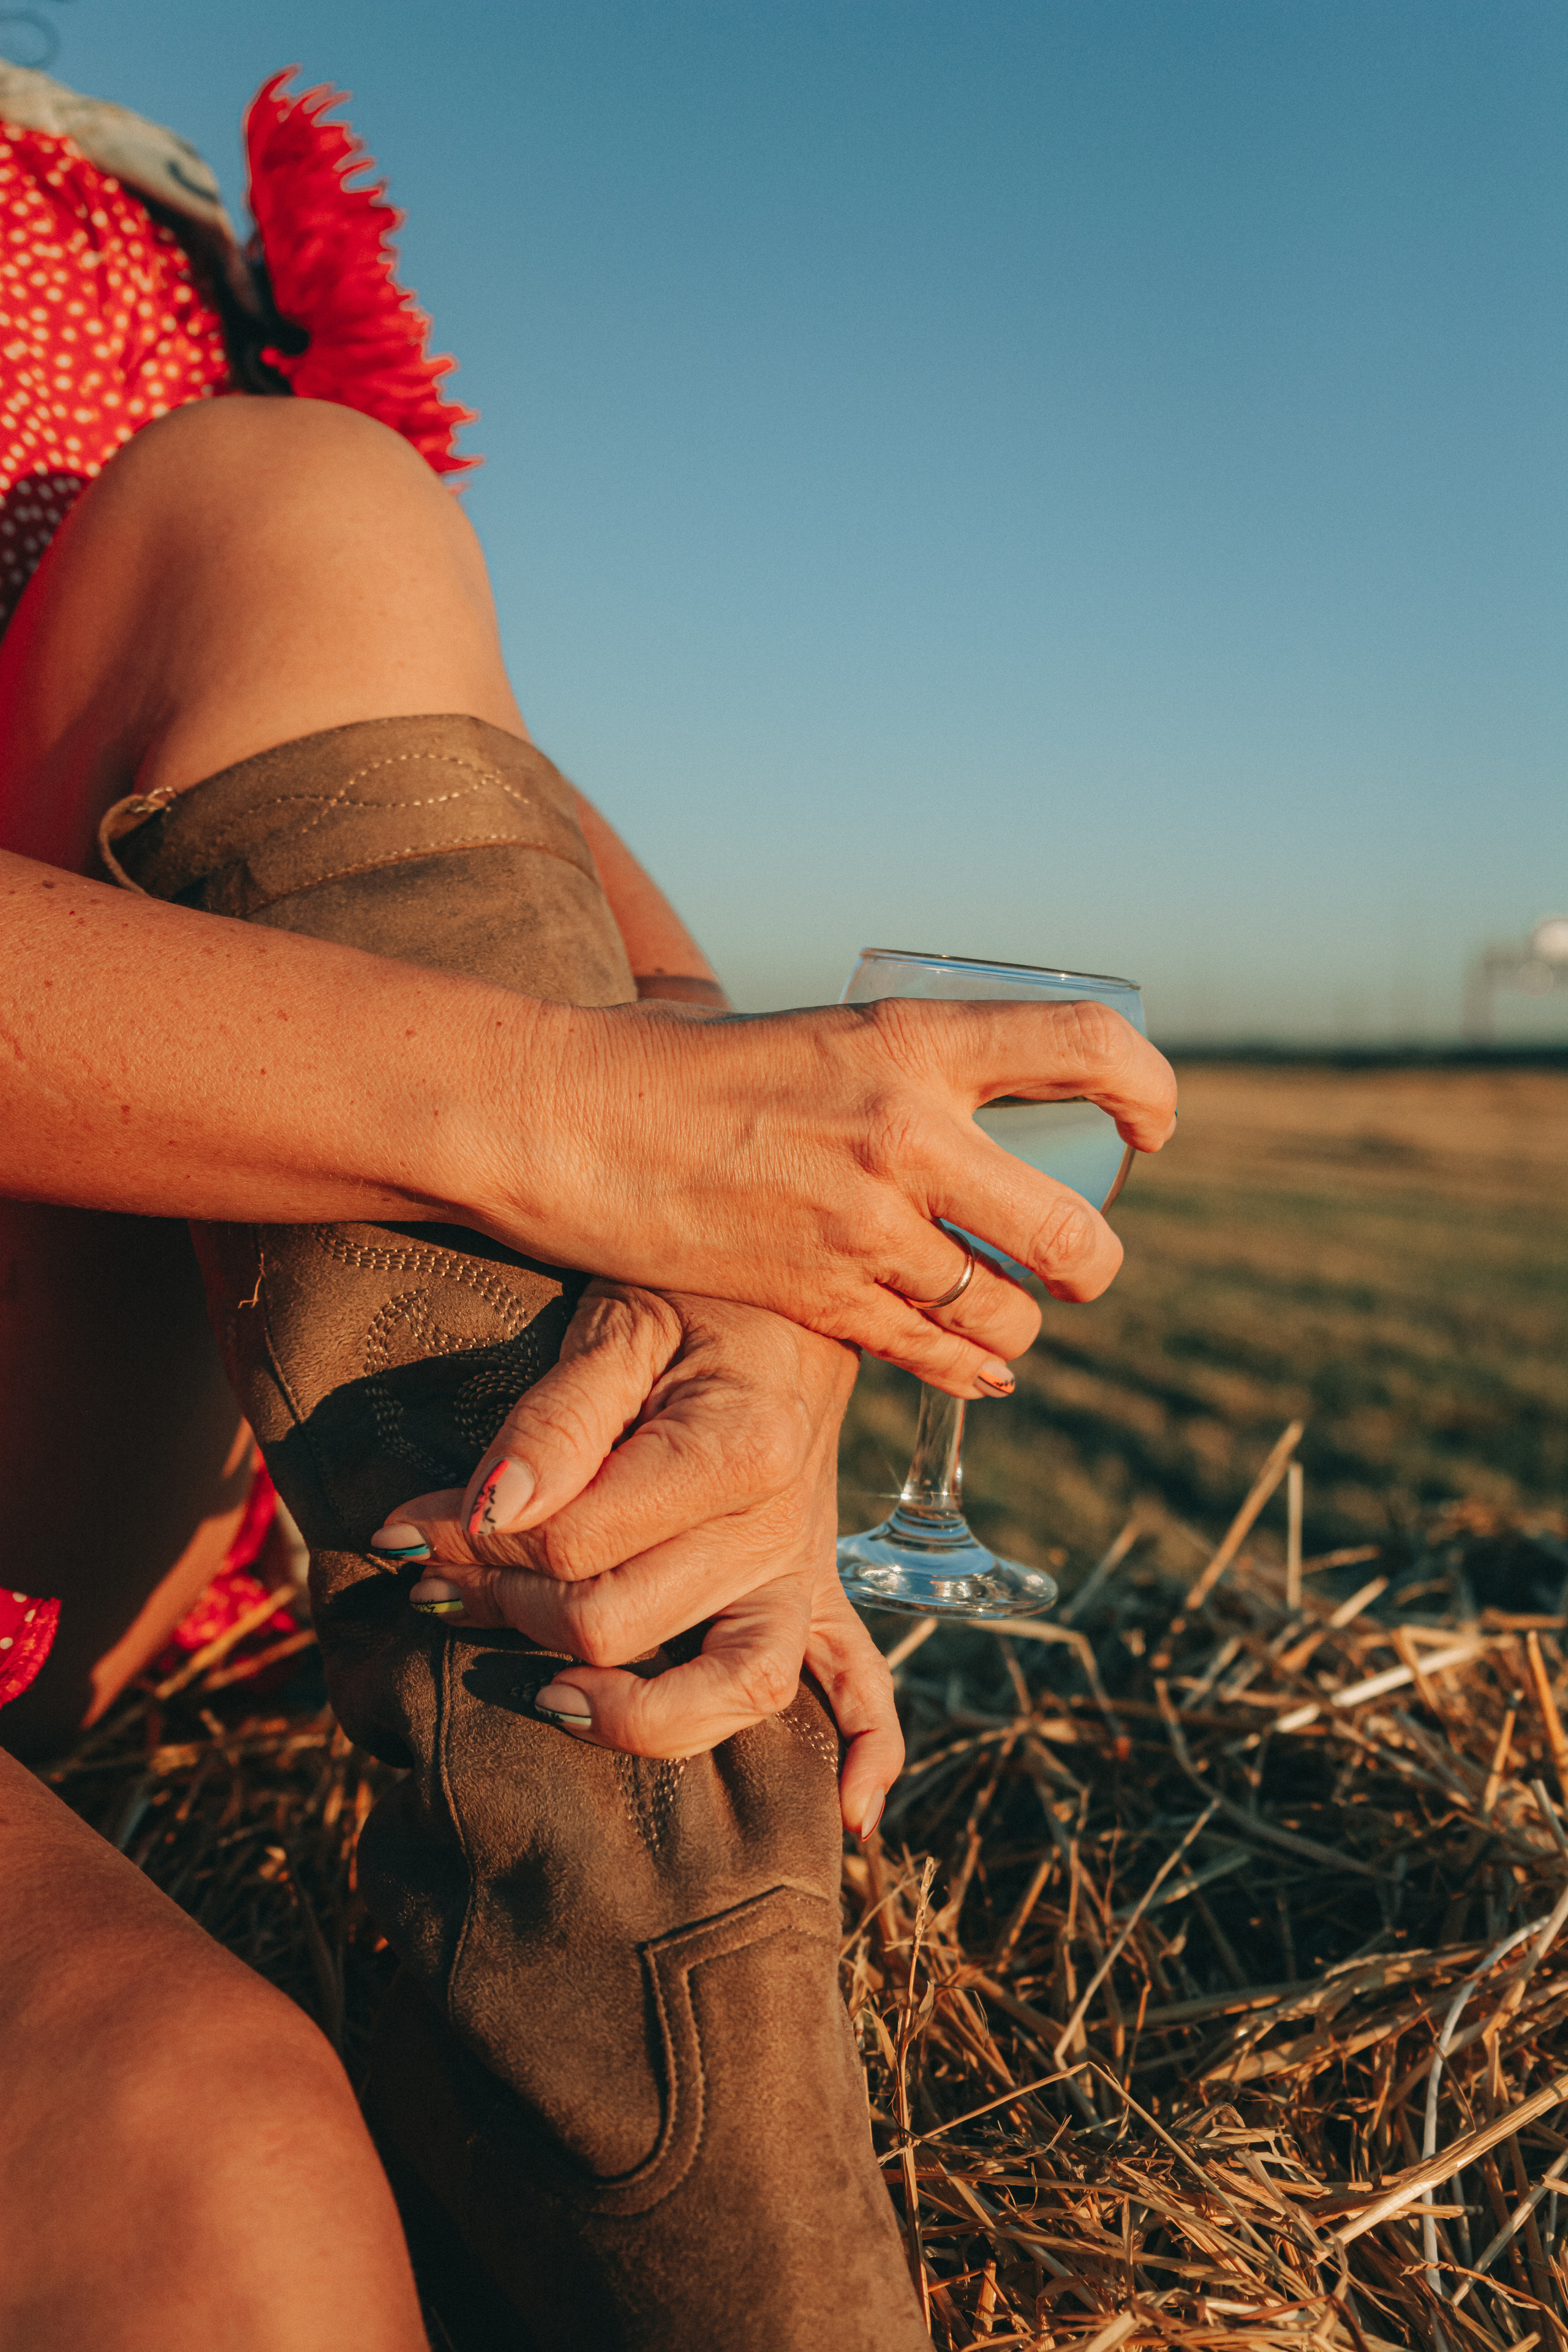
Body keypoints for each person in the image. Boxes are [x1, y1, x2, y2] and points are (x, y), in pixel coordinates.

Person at [0, 67, 1176, 2352]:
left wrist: (745, 1286)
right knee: (213, 2202)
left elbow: (517, 840)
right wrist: (566, 1122)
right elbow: (561, 1068)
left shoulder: (118, 226)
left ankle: (684, 2150)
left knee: (294, 500)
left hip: (62, 1467)